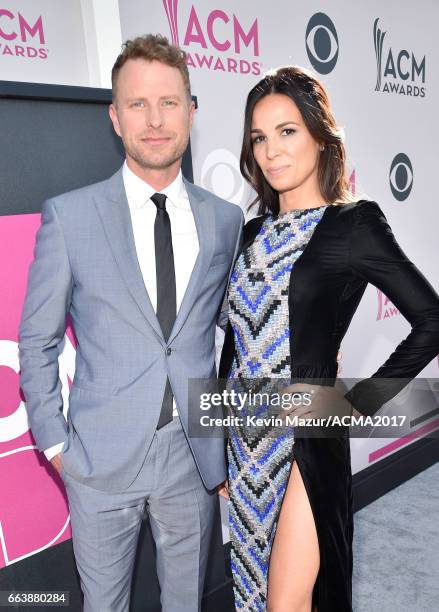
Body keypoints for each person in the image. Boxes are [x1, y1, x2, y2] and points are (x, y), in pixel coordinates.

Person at [19, 34, 243, 612]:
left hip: (192, 457)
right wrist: (57, 445)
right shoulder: (70, 217)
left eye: (169, 102)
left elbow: (229, 327)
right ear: (115, 118)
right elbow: (37, 342)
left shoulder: (226, 221)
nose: (155, 120)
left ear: (191, 113)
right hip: (98, 460)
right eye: (137, 104)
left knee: (186, 603)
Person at [219, 65, 439, 612]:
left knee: (285, 603)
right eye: (259, 137)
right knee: (251, 594)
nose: (271, 151)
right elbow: (236, 341)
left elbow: (431, 320)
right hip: (245, 443)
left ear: (320, 134)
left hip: (307, 444)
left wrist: (353, 405)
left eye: (287, 131)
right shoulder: (250, 233)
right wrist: (217, 440)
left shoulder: (353, 223)